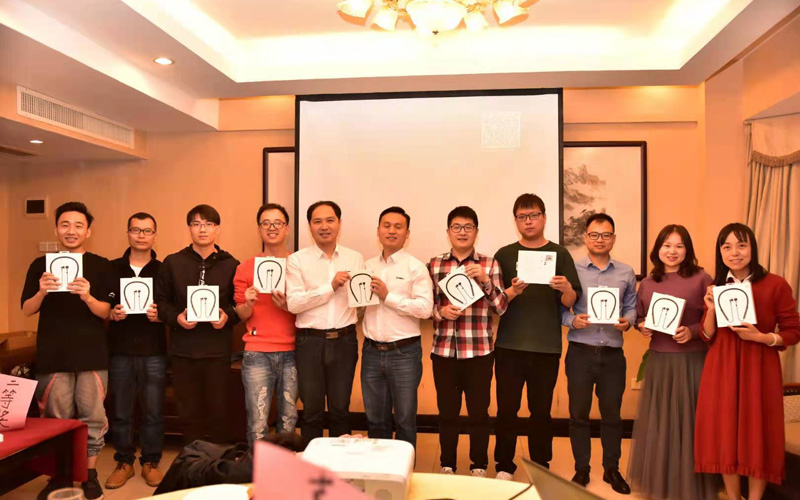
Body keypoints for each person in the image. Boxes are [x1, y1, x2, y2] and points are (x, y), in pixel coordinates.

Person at [695, 223, 800, 500]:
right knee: (725, 433)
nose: (735, 252)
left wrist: (762, 337)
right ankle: (733, 497)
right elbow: (706, 335)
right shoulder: (716, 287)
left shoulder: (775, 284)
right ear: (720, 252)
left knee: (758, 434)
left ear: (752, 248)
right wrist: (710, 309)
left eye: (741, 245)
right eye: (727, 247)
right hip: (722, 366)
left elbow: (793, 331)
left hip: (760, 366)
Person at [21, 201, 113, 500]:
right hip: (53, 354)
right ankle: (59, 476)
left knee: (93, 417)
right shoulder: (40, 265)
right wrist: (41, 291)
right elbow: (27, 309)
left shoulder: (101, 265)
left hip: (91, 354)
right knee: (55, 418)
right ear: (56, 229)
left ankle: (88, 475)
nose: (71, 231)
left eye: (78, 225)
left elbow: (106, 312)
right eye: (65, 225)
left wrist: (87, 296)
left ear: (88, 231)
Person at [493, 193, 581, 479]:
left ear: (544, 217)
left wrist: (566, 288)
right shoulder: (504, 254)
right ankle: (504, 465)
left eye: (533, 215)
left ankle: (541, 466)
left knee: (541, 412)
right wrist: (512, 291)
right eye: (522, 217)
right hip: (509, 345)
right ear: (515, 220)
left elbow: (570, 301)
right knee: (507, 409)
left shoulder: (560, 254)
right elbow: (495, 302)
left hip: (546, 347)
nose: (528, 221)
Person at [628, 224, 717, 500]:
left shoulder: (702, 278)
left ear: (687, 250)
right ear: (658, 249)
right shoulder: (648, 283)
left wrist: (691, 331)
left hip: (692, 361)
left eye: (679, 245)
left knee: (690, 424)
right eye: (667, 245)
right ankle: (662, 484)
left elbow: (713, 319)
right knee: (661, 425)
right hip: (660, 361)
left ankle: (691, 486)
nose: (672, 251)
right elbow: (639, 317)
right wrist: (642, 326)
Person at [428, 206, 508, 477]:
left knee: (479, 413)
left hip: (479, 351)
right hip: (444, 351)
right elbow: (425, 306)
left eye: (468, 227)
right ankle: (447, 464)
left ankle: (479, 465)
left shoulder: (490, 264)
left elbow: (501, 307)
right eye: (456, 227)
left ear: (476, 231)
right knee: (447, 413)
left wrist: (485, 281)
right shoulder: (435, 264)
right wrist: (441, 312)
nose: (462, 232)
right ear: (448, 231)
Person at [561, 213, 636, 494]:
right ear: (586, 237)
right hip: (580, 352)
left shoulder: (626, 272)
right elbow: (559, 308)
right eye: (594, 234)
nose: (599, 240)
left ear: (613, 238)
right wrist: (572, 321)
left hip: (612, 354)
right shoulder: (572, 270)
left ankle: (611, 469)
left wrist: (628, 321)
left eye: (605, 235)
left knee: (612, 415)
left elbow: (631, 307)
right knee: (578, 414)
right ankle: (582, 468)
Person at [156, 204, 240, 445]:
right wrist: (177, 318)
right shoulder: (172, 262)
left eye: (208, 224)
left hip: (217, 350)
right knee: (188, 413)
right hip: (183, 350)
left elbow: (239, 305)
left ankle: (217, 461)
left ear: (217, 229)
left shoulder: (231, 264)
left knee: (218, 411)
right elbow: (161, 302)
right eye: (196, 224)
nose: (202, 229)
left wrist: (227, 316)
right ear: (189, 229)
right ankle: (193, 459)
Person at [286, 201, 363, 442]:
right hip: (310, 342)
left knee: (341, 410)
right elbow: (294, 304)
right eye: (317, 221)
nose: (324, 226)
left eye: (330, 220)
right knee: (312, 411)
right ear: (309, 226)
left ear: (339, 223)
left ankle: (339, 463)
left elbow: (360, 302)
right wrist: (329, 287)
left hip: (344, 341)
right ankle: (311, 462)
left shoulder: (355, 258)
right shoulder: (297, 260)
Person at [361, 206, 433, 447]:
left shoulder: (415, 267)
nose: (391, 231)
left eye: (398, 227)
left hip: (404, 353)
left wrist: (387, 296)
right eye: (387, 226)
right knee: (375, 421)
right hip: (371, 352)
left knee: (405, 421)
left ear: (407, 234)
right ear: (378, 231)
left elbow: (425, 309)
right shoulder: (366, 266)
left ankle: (404, 470)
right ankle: (379, 468)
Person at [105, 213, 167, 490]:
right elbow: (103, 304)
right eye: (136, 230)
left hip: (154, 350)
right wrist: (112, 313)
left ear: (155, 236)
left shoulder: (164, 270)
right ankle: (124, 462)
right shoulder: (112, 268)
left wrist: (160, 315)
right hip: (120, 350)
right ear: (128, 233)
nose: (141, 235)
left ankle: (151, 462)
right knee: (121, 411)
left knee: (154, 410)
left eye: (147, 231)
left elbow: (172, 306)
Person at [234, 203, 298, 445]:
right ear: (259, 229)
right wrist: (248, 303)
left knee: (289, 419)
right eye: (266, 223)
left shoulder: (298, 264)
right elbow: (242, 313)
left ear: (287, 228)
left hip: (293, 351)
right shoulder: (245, 267)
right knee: (257, 422)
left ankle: (285, 466)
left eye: (278, 223)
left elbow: (307, 307)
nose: (272, 228)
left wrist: (288, 305)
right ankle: (257, 467)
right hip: (257, 352)